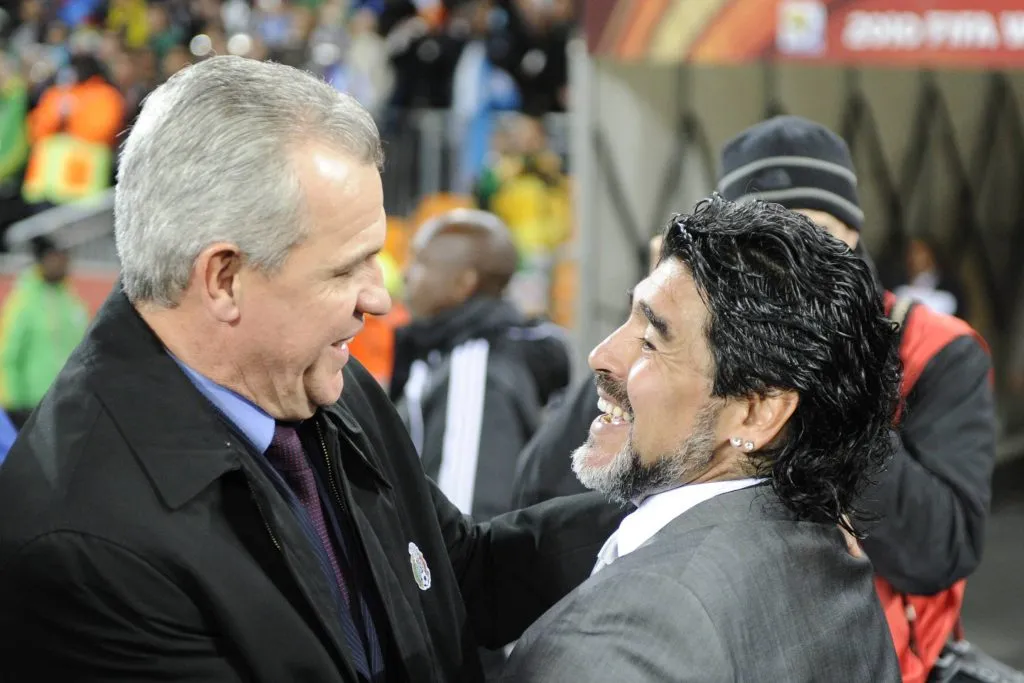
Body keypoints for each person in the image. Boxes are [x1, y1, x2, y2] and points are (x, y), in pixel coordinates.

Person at [0, 56, 622, 682]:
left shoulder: (324, 383)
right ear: (224, 279)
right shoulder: (83, 545)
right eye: (346, 268)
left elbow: (453, 576)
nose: (379, 299)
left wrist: (663, 504)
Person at [501, 196, 901, 682]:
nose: (601, 355)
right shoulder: (830, 556)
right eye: (630, 317)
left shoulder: (623, 638)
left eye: (652, 340)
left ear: (757, 413)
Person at [716, 116, 996, 683]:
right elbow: (561, 487)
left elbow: (938, 554)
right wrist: (650, 324)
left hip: (877, 661)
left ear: (850, 232)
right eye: (756, 237)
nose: (784, 253)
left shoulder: (933, 349)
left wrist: (829, 377)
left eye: (806, 227)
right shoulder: (698, 341)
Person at [392, 207, 571, 522]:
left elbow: (466, 523)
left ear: (464, 282)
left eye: (421, 262)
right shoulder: (449, 351)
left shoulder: (474, 372)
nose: (406, 273)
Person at [0, 235, 88, 427]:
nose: (63, 263)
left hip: (68, 400)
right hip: (31, 405)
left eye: (65, 257)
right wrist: (12, 402)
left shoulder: (72, 301)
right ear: (43, 260)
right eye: (57, 257)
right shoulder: (23, 301)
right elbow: (8, 354)